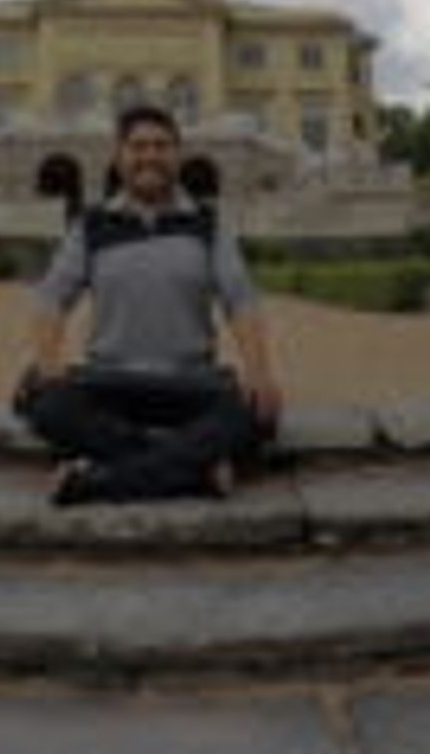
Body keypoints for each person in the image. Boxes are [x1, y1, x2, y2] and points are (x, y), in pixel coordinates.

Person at [15, 102, 283, 505]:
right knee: (40, 400)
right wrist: (47, 362)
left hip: (190, 382)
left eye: (161, 146)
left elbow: (239, 298)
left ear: (177, 154)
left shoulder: (207, 222)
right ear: (119, 155)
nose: (150, 156)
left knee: (258, 413)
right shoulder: (91, 224)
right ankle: (195, 472)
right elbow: (52, 297)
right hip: (109, 380)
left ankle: (97, 482)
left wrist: (259, 371)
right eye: (138, 146)